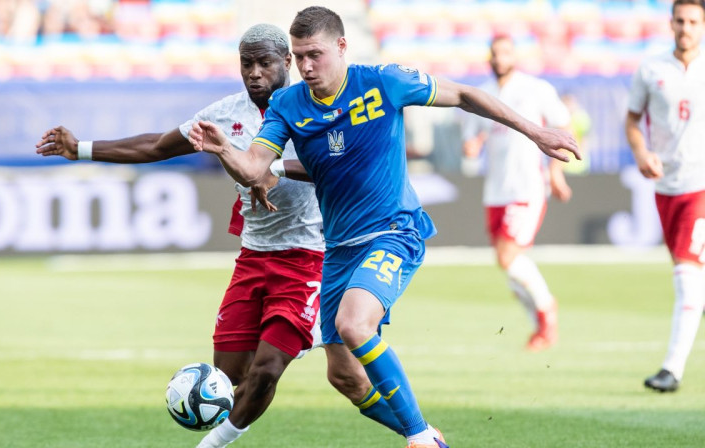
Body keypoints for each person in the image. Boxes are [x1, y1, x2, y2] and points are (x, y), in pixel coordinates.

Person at [188, 7, 579, 448]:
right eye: (299, 58)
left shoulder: (384, 81)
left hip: (394, 231)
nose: (307, 67)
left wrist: (536, 132)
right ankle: (431, 437)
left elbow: (465, 94)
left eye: (315, 54)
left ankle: (419, 439)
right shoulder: (287, 104)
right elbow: (254, 167)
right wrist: (224, 149)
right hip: (337, 250)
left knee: (356, 326)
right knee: (345, 377)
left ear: (341, 47)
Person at [35, 24, 326, 447]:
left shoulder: (318, 109)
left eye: (265, 63)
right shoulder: (225, 114)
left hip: (309, 255)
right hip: (254, 256)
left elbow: (339, 167)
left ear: (287, 63)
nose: (255, 73)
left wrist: (272, 169)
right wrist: (79, 147)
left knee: (267, 368)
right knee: (224, 381)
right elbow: (156, 146)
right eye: (247, 63)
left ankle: (209, 446)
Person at [461, 34, 572, 352]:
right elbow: (472, 140)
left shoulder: (535, 89)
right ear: (489, 58)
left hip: (526, 187)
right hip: (495, 190)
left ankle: (546, 310)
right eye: (494, 53)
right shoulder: (482, 94)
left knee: (509, 257)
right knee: (507, 262)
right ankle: (539, 326)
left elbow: (563, 125)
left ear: (514, 56)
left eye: (505, 52)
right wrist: (472, 145)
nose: (499, 58)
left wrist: (556, 172)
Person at [625, 0, 705, 393]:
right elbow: (632, 120)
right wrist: (641, 153)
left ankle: (671, 370)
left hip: (701, 186)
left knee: (687, 277)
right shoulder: (651, 68)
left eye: (693, 21)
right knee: (692, 277)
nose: (686, 27)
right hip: (666, 187)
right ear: (670, 22)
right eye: (680, 20)